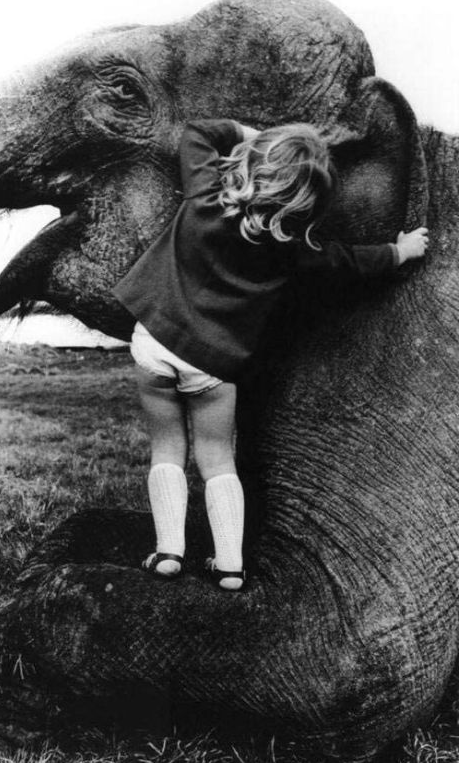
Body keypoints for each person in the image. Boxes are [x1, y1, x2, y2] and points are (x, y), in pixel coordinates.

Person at [112, 119, 428, 591]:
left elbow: (196, 133)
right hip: (213, 364)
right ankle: (230, 566)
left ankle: (169, 553)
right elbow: (347, 261)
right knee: (218, 457)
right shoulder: (290, 251)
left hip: (153, 344)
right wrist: (399, 252)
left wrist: (245, 132)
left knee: (167, 449)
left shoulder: (203, 196)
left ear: (251, 165)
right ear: (308, 202)